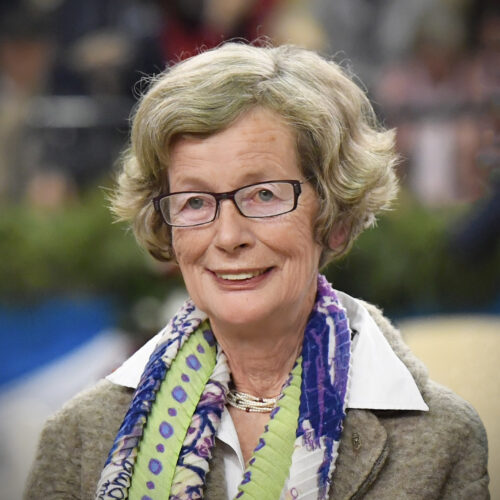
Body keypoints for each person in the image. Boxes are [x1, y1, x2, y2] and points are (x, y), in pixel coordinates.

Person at [24, 42, 489, 499]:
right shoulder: (81, 436)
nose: (228, 236)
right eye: (195, 201)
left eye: (264, 194)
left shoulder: (442, 440)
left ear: (335, 217)